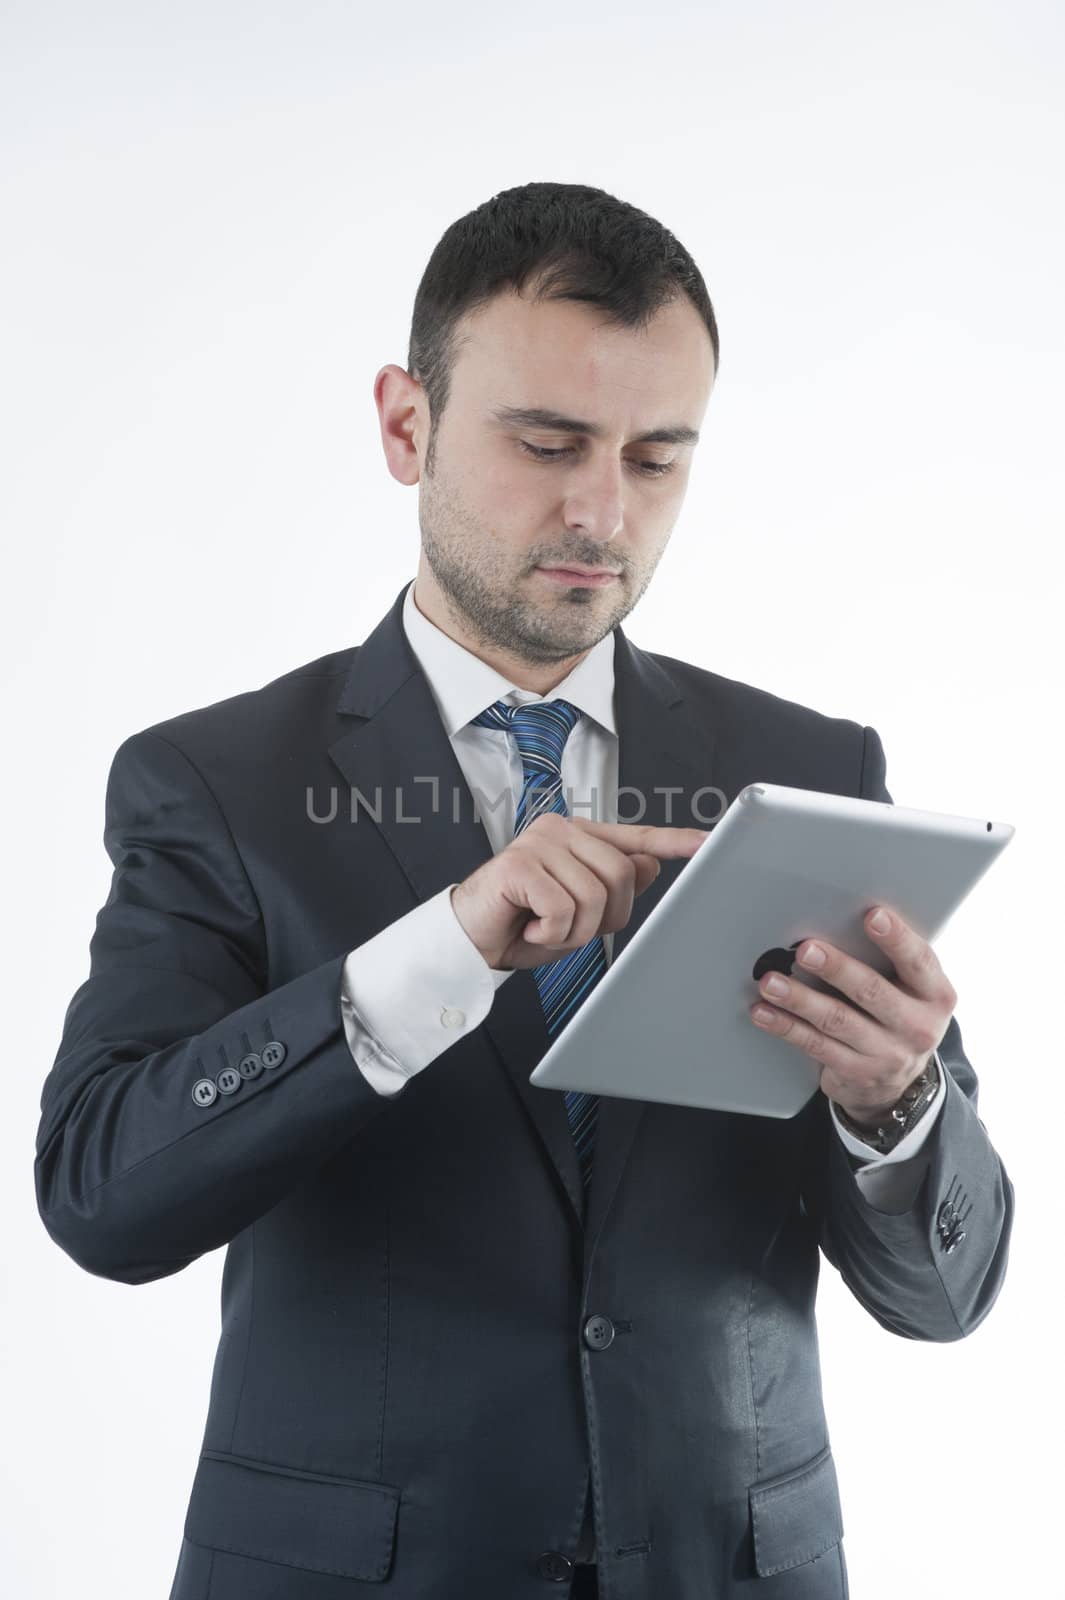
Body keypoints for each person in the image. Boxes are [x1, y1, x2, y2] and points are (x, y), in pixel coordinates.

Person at [35, 181, 1013, 1600]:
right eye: (547, 442)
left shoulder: (805, 768)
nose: (599, 512)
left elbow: (943, 1296)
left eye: (657, 458)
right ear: (404, 424)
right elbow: (100, 1196)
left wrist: (895, 1105)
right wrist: (433, 953)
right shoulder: (216, 783)